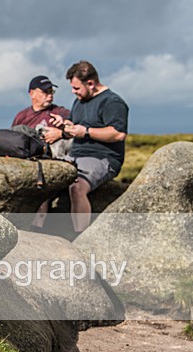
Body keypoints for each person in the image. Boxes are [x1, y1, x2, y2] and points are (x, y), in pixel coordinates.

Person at [33, 61, 129, 234]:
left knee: (76, 187)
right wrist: (65, 126)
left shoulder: (112, 102)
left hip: (103, 157)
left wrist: (85, 132)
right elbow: (75, 127)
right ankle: (35, 230)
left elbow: (117, 134)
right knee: (44, 180)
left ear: (90, 83)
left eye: (76, 88)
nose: (73, 92)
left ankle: (80, 237)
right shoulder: (80, 100)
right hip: (75, 155)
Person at [11, 75, 71, 157]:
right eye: (45, 91)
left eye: (51, 91)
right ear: (32, 93)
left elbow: (76, 129)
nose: (50, 95)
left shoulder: (60, 112)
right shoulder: (21, 117)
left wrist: (61, 133)